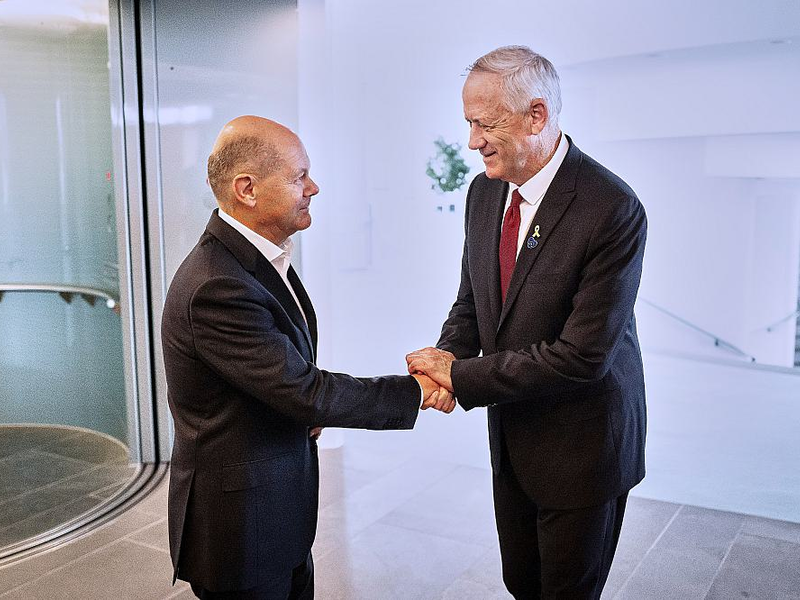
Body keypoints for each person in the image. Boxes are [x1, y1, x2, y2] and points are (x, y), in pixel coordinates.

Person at [161, 115, 453, 600]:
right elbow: (303, 389)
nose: (313, 187)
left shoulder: (256, 261)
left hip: (275, 513)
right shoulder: (218, 284)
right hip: (239, 529)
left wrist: (302, 413)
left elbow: (277, 379)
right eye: (299, 177)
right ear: (247, 189)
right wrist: (418, 389)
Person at [407, 46, 647, 599]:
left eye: (484, 124)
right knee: (523, 584)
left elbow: (583, 355)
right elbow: (472, 302)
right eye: (468, 123)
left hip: (583, 447)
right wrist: (446, 357)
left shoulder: (611, 207)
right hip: (514, 436)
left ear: (537, 115)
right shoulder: (484, 192)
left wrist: (461, 379)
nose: (472, 142)